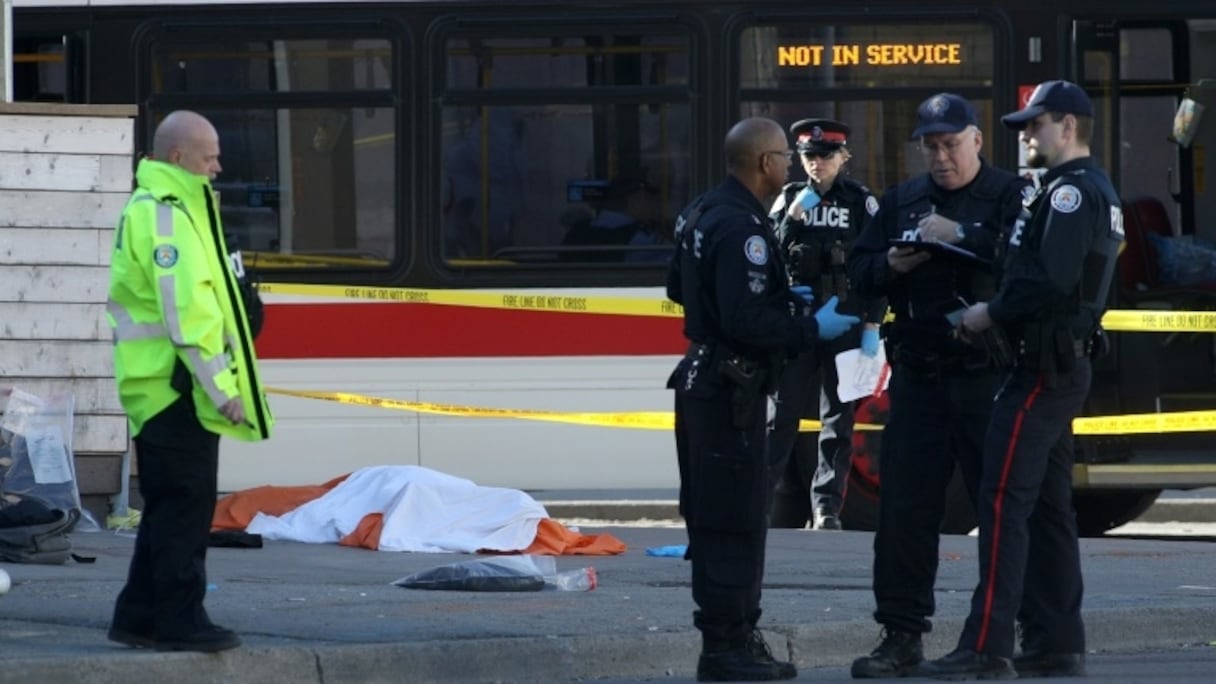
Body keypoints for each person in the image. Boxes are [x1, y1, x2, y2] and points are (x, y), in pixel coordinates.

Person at [922, 80, 1121, 680]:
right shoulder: (1077, 190)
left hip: (1039, 369)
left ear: (1067, 127)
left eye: (1035, 125)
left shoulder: (1069, 194)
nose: (1027, 136)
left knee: (1003, 500)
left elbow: (1046, 281)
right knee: (1050, 507)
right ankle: (1058, 639)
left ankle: (986, 646)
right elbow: (1023, 258)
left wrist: (987, 314)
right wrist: (966, 239)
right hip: (1057, 366)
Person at [666, 117, 860, 682]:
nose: (790, 166)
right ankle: (729, 647)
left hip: (705, 381)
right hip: (733, 390)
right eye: (783, 156)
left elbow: (678, 287)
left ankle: (728, 640)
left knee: (716, 517)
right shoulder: (743, 228)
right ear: (765, 163)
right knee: (735, 521)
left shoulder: (702, 210)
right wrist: (807, 326)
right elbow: (746, 319)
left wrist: (778, 296)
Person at [846, 94, 1031, 678]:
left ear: (977, 140)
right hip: (920, 377)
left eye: (951, 144)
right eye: (931, 146)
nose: (942, 156)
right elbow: (858, 272)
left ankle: (1001, 634)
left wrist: (964, 234)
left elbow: (1032, 268)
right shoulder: (901, 199)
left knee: (1000, 512)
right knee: (903, 513)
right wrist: (889, 269)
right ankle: (900, 635)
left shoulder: (1008, 195)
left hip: (985, 377)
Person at [107, 111, 274, 653]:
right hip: (174, 386)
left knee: (167, 506)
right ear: (178, 157)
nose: (218, 166)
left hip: (164, 385)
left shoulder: (175, 207)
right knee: (186, 505)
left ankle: (137, 615)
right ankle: (181, 621)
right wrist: (222, 389)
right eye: (210, 156)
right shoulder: (165, 215)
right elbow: (187, 318)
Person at [767, 118, 885, 531]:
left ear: (842, 158)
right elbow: (768, 257)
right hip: (800, 324)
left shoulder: (859, 202)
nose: (818, 163)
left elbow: (878, 269)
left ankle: (827, 508)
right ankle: (763, 499)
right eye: (809, 156)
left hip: (847, 324)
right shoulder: (788, 199)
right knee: (781, 416)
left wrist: (873, 324)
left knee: (838, 418)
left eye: (826, 155)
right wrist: (793, 218)